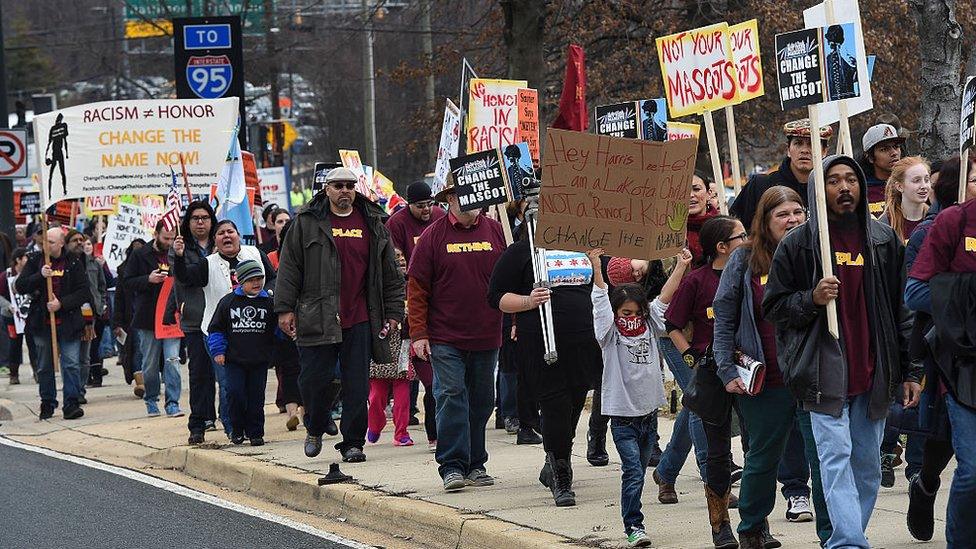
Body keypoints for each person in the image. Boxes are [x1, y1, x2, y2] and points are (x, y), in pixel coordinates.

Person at [764, 155, 922, 549]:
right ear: (819, 191)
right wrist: (811, 299)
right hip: (823, 375)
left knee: (866, 468)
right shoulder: (799, 245)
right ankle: (848, 543)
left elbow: (903, 311)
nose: (844, 188)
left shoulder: (883, 241)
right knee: (835, 462)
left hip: (873, 373)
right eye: (833, 181)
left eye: (851, 179)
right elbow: (775, 308)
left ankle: (851, 532)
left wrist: (911, 370)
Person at [275, 167, 404, 463]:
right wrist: (284, 309)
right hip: (316, 314)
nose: (344, 190)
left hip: (360, 317)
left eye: (349, 185)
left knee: (357, 383)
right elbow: (289, 268)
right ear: (327, 189)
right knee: (313, 380)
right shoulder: (306, 222)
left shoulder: (373, 222)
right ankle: (315, 426)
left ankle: (353, 443)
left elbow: (391, 273)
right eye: (338, 186)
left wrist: (394, 311)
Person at [713, 186, 813, 547]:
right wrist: (726, 371)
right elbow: (723, 318)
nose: (792, 220)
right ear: (765, 221)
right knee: (762, 458)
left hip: (811, 375)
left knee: (823, 458)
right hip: (765, 378)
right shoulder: (743, 260)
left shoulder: (816, 254)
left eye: (797, 212)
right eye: (782, 214)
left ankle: (834, 533)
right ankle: (752, 528)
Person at [488, 217, 602, 507]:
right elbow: (496, 297)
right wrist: (528, 301)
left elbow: (601, 287)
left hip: (582, 340)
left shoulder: (582, 245)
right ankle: (562, 472)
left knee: (576, 400)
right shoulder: (523, 250)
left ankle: (555, 459)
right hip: (543, 341)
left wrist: (597, 264)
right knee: (555, 403)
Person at [407, 176, 506, 491]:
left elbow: (508, 278)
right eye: (463, 195)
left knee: (481, 401)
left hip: (487, 334)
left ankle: (476, 464)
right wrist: (419, 333)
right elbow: (417, 287)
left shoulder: (495, 230)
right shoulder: (433, 236)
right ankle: (451, 465)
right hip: (445, 336)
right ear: (449, 199)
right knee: (451, 396)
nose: (471, 200)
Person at [904, 157, 976, 546]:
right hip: (956, 363)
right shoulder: (944, 227)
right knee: (965, 461)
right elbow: (913, 295)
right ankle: (927, 485)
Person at [665, 216, 747, 549]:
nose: (748, 240)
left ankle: (757, 524)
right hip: (712, 375)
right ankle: (720, 526)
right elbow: (672, 324)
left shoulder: (750, 277)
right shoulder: (697, 282)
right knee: (717, 453)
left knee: (754, 449)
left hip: (748, 374)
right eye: (741, 236)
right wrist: (693, 360)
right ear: (722, 247)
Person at [582, 244, 665, 547]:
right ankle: (634, 525)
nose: (631, 318)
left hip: (649, 416)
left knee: (640, 474)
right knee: (632, 472)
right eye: (625, 313)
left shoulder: (652, 326)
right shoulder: (609, 334)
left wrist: (681, 265)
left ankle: (634, 519)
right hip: (622, 419)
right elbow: (599, 302)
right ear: (616, 313)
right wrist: (595, 264)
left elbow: (664, 301)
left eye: (636, 313)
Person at [174, 219, 276, 439]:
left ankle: (254, 430)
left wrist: (266, 295)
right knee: (230, 385)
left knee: (254, 389)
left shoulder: (255, 254)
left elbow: (273, 281)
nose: (226, 236)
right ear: (215, 240)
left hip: (253, 333)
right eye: (221, 233)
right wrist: (179, 257)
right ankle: (234, 428)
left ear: (238, 235)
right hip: (219, 334)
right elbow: (184, 278)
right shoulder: (207, 263)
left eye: (231, 231)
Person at [385, 180, 445, 431]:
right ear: (409, 205)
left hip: (438, 295)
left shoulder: (440, 216)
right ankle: (406, 410)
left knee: (434, 377)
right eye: (420, 206)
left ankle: (435, 427)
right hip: (408, 296)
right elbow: (393, 263)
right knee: (405, 366)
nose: (427, 210)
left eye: (430, 204)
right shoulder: (396, 224)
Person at [16, 228, 91, 420]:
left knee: (71, 364)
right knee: (44, 366)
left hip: (68, 322)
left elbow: (83, 291)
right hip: (43, 323)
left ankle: (71, 403)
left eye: (50, 241)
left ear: (60, 243)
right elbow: (20, 286)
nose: (45, 244)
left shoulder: (73, 262)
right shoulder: (35, 260)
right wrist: (39, 276)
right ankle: (47, 402)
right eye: (44, 241)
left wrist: (61, 304)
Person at [207, 260, 276, 447]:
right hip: (234, 360)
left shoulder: (269, 303)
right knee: (235, 394)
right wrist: (218, 351)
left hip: (259, 360)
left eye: (259, 278)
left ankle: (255, 432)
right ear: (241, 281)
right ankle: (237, 430)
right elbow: (216, 329)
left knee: (256, 398)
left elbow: (276, 330)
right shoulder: (228, 302)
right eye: (251, 280)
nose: (256, 283)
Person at [166, 201, 217, 443]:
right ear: (187, 222)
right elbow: (182, 278)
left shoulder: (221, 242)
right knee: (199, 373)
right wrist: (178, 255)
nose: (200, 222)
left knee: (226, 374)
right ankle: (198, 424)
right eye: (195, 218)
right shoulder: (180, 247)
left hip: (220, 318)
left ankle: (225, 418)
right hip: (195, 318)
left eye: (205, 217)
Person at [125, 221, 183, 418]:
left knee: (172, 360)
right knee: (149, 363)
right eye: (165, 238)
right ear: (156, 234)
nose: (168, 242)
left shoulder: (178, 253)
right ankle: (151, 398)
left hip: (171, 316)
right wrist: (147, 279)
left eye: (171, 238)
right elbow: (127, 282)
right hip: (148, 317)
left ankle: (173, 402)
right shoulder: (140, 254)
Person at [730, 119, 833, 228]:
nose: (804, 150)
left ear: (824, 151)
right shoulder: (760, 186)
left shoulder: (831, 190)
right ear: (788, 149)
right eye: (798, 143)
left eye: (811, 144)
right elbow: (733, 230)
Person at [366, 248, 415, 447]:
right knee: (377, 395)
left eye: (403, 258)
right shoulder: (377, 285)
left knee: (403, 393)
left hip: (404, 344)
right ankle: (375, 424)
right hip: (382, 343)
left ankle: (401, 432)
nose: (401, 261)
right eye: (397, 259)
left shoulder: (413, 284)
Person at [112, 238, 146, 395]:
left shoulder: (152, 269)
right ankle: (141, 383)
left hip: (150, 315)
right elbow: (118, 299)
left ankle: (150, 378)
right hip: (131, 318)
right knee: (137, 349)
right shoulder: (123, 271)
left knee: (149, 350)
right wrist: (117, 323)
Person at [859, 123, 905, 217]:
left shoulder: (911, 184)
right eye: (884, 149)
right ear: (870, 158)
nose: (894, 153)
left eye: (896, 146)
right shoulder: (861, 191)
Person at [881, 156, 931, 243]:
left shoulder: (936, 220)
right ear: (900, 186)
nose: (924, 186)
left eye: (926, 180)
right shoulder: (885, 225)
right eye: (916, 180)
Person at [0, 249, 31, 385]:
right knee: (14, 344)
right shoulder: (5, 276)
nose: (28, 260)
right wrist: (8, 306)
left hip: (29, 315)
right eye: (25, 258)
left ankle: (37, 370)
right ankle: (14, 374)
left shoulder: (30, 273)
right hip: (11, 316)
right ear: (18, 259)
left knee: (33, 343)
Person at [685, 172, 720, 263]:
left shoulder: (723, 227)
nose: (690, 195)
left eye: (696, 189)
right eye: (683, 190)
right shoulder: (667, 230)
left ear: (709, 194)